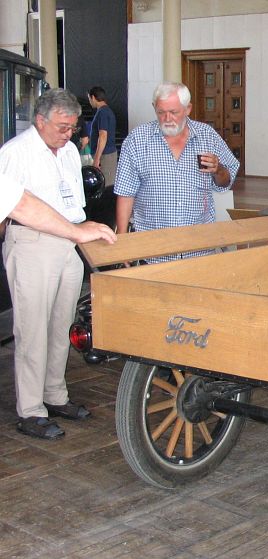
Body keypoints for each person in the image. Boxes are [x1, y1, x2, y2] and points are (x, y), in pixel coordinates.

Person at [0, 89, 117, 440]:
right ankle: (31, 410)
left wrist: (83, 231)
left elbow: (73, 202)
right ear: (40, 121)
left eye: (73, 127)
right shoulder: (15, 153)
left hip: (69, 242)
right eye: (62, 127)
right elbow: (14, 208)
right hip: (32, 244)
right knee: (32, 329)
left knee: (61, 325)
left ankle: (54, 395)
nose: (68, 134)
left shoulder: (68, 151)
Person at [114, 82, 240, 261]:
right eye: (161, 112)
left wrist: (218, 169)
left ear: (188, 109)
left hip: (199, 248)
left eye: (173, 112)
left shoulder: (207, 136)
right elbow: (125, 193)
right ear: (154, 108)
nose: (167, 118)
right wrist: (122, 242)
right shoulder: (137, 140)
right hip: (152, 251)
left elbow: (226, 181)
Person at [87, 86, 117, 186]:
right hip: (106, 154)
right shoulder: (105, 111)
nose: (89, 102)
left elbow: (103, 136)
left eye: (89, 99)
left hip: (105, 156)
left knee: (106, 185)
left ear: (93, 97)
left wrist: (97, 158)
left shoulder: (103, 112)